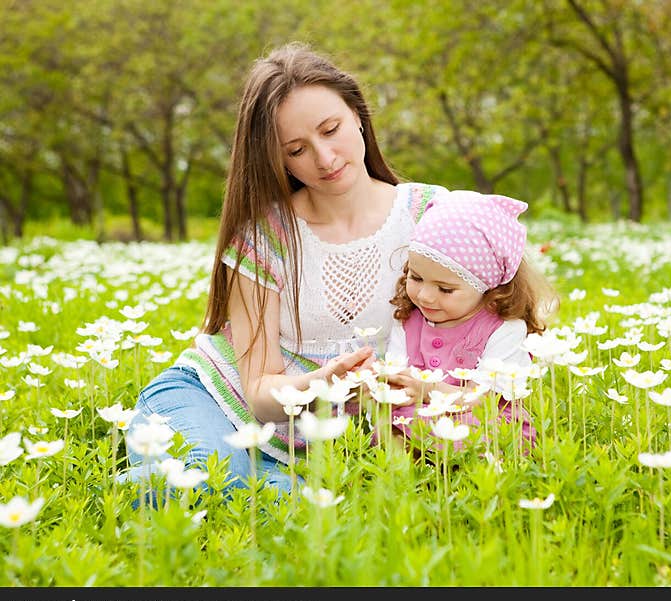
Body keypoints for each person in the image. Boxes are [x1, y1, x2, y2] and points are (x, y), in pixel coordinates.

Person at [119, 42, 447, 497]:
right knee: (215, 478)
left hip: (321, 445)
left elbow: (495, 324)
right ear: (278, 159)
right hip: (213, 401)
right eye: (297, 149)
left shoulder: (432, 214)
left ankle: (261, 486)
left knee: (289, 501)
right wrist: (323, 382)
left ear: (357, 113)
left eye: (331, 129)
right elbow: (258, 393)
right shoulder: (264, 236)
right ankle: (137, 476)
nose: (325, 158)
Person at [382, 189, 558, 454]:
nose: (425, 296)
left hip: (479, 415)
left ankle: (458, 471)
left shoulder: (504, 329)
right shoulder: (409, 320)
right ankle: (411, 478)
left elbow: (483, 399)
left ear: (488, 288)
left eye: (445, 289)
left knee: (484, 436)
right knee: (390, 427)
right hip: (419, 413)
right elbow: (397, 375)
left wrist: (428, 389)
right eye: (416, 278)